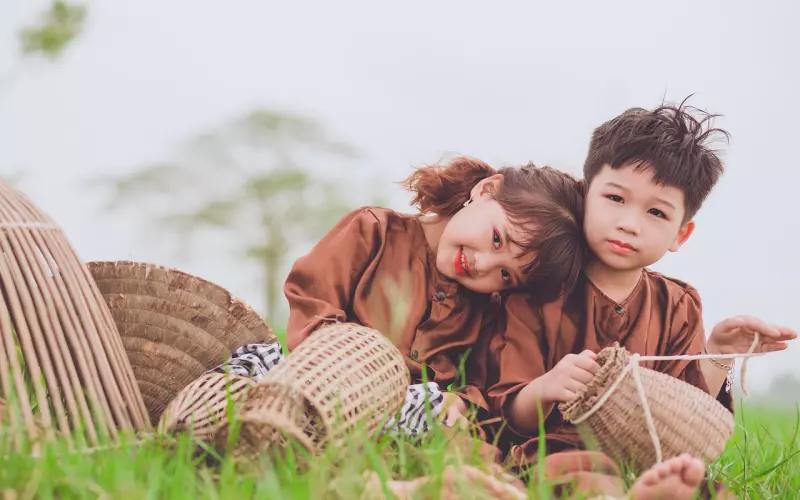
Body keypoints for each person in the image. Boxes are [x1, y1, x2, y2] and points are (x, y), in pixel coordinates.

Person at [485, 100, 796, 498]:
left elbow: (682, 421)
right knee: (588, 475)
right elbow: (506, 408)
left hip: (645, 458)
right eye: (615, 199)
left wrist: (717, 353)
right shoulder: (540, 287)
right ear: (584, 197)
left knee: (712, 490)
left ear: (680, 235)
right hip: (551, 451)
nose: (629, 224)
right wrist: (546, 386)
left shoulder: (678, 304)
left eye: (657, 213)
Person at [214, 155, 588, 438]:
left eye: (505, 275)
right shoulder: (374, 232)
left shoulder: (483, 309)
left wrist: (457, 401)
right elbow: (312, 303)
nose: (482, 264)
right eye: (496, 238)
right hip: (315, 378)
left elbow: (478, 385)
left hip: (399, 414)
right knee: (245, 377)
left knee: (443, 424)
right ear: (485, 190)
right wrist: (351, 371)